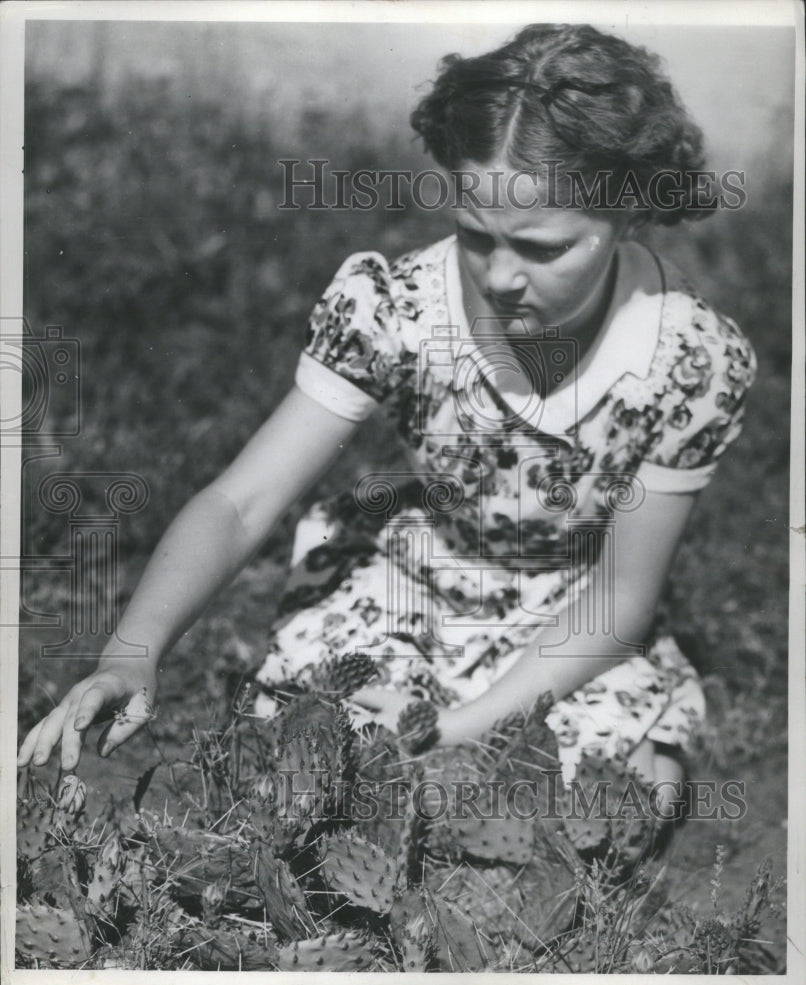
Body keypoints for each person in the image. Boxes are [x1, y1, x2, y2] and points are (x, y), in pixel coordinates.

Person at [17, 24, 756, 817]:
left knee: (626, 801)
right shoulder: (395, 309)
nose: (503, 277)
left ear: (630, 213)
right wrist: (131, 653)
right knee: (314, 761)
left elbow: (620, 598)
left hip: (574, 617)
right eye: (478, 238)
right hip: (413, 579)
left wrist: (455, 728)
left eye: (544, 250)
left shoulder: (688, 358)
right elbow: (242, 503)